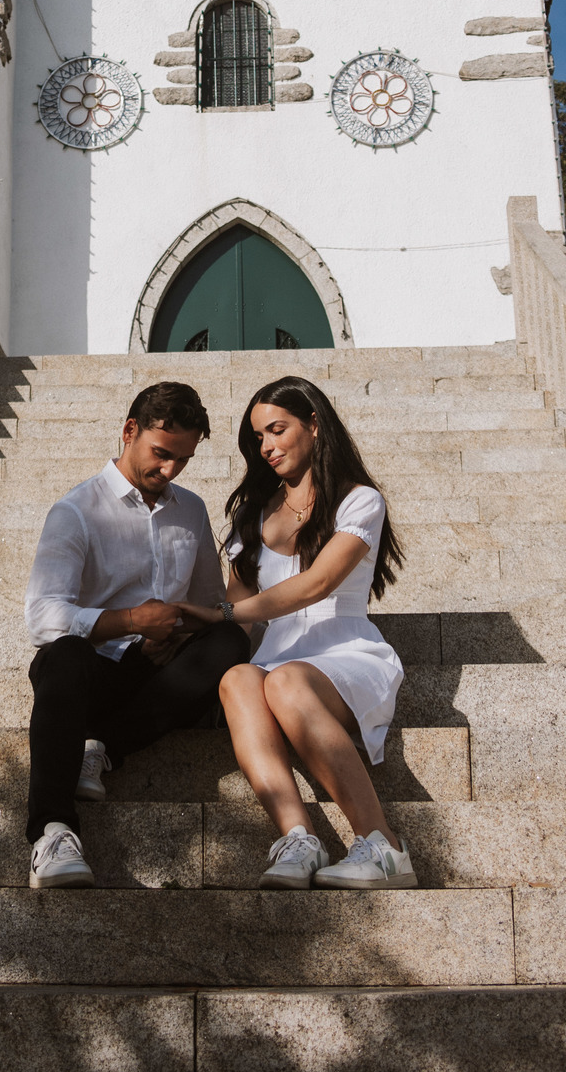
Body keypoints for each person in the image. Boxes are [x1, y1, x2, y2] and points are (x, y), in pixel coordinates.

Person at [180, 374, 416, 890]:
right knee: (238, 679)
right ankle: (299, 840)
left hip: (344, 650)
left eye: (277, 430)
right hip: (277, 658)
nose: (266, 446)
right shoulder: (253, 513)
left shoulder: (359, 501)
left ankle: (384, 847)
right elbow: (239, 610)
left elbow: (319, 583)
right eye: (257, 437)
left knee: (285, 680)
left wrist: (224, 613)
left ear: (313, 425)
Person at [22, 380, 249, 888]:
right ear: (129, 431)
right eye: (161, 453)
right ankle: (52, 833)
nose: (170, 470)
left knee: (230, 643)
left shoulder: (191, 510)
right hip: (89, 677)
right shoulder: (76, 510)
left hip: (157, 674)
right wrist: (130, 621)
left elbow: (211, 604)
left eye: (182, 460)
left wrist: (179, 630)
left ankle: (102, 747)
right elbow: (41, 616)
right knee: (62, 655)